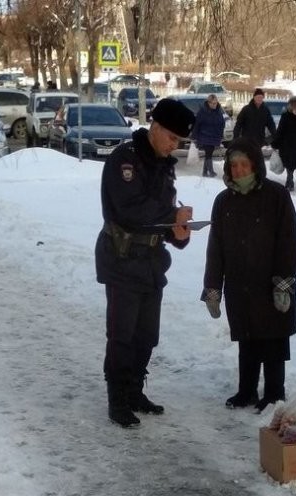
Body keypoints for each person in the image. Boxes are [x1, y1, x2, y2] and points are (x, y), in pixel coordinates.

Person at [95, 98, 197, 428]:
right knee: (122, 334)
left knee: (146, 335)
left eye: (179, 142)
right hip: (123, 260)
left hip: (151, 263)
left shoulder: (162, 166)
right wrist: (171, 216)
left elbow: (161, 218)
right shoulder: (126, 161)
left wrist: (179, 233)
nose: (174, 146)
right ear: (155, 129)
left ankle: (135, 390)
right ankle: (118, 398)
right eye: (171, 139)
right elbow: (132, 209)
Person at [201, 137, 296, 413]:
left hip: (270, 284)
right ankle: (246, 391)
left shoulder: (276, 196)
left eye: (244, 164)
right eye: (233, 165)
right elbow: (216, 248)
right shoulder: (224, 202)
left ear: (255, 165)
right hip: (238, 284)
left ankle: (273, 392)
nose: (239, 170)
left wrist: (284, 282)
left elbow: (289, 242)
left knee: (272, 338)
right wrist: (212, 287)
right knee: (247, 338)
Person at [191, 94, 226, 178]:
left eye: (216, 103)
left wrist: (221, 134)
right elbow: (197, 124)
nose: (215, 105)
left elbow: (222, 123)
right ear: (209, 103)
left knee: (209, 153)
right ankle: (211, 171)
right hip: (204, 135)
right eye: (213, 103)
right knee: (208, 152)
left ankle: (205, 172)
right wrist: (194, 136)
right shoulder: (203, 111)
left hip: (214, 135)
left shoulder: (218, 111)